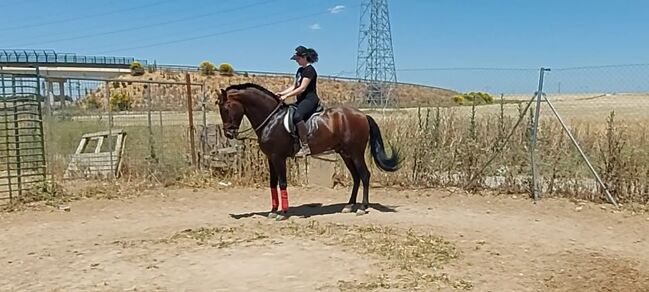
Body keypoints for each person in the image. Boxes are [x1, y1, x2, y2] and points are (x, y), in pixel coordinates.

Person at [276, 45, 320, 157]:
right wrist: (282, 93)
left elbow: (302, 88)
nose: (297, 61)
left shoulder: (310, 70)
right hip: (300, 100)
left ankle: (305, 146)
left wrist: (287, 96)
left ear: (304, 57)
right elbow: (295, 86)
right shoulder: (300, 70)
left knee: (297, 116)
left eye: (298, 59)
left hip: (309, 100)